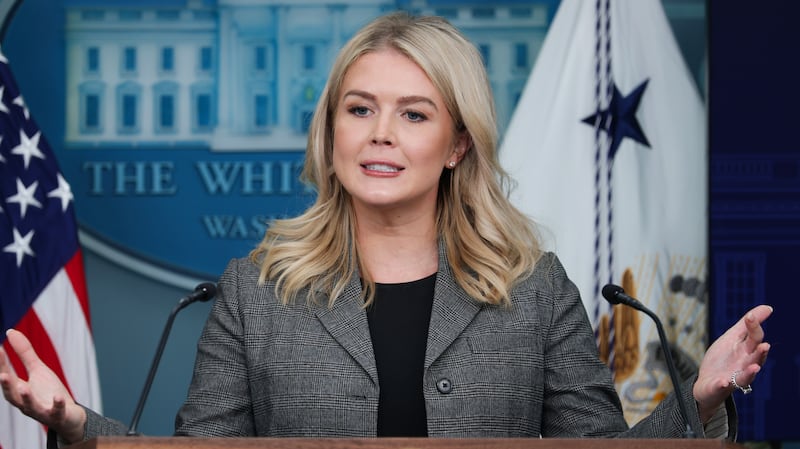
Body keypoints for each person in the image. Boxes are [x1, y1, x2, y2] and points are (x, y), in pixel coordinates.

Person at [1, 11, 771, 444]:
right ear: (331, 131)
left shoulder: (533, 286)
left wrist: (696, 401)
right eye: (359, 108)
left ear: (457, 143)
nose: (380, 133)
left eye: (414, 114)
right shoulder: (256, 290)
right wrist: (71, 420)